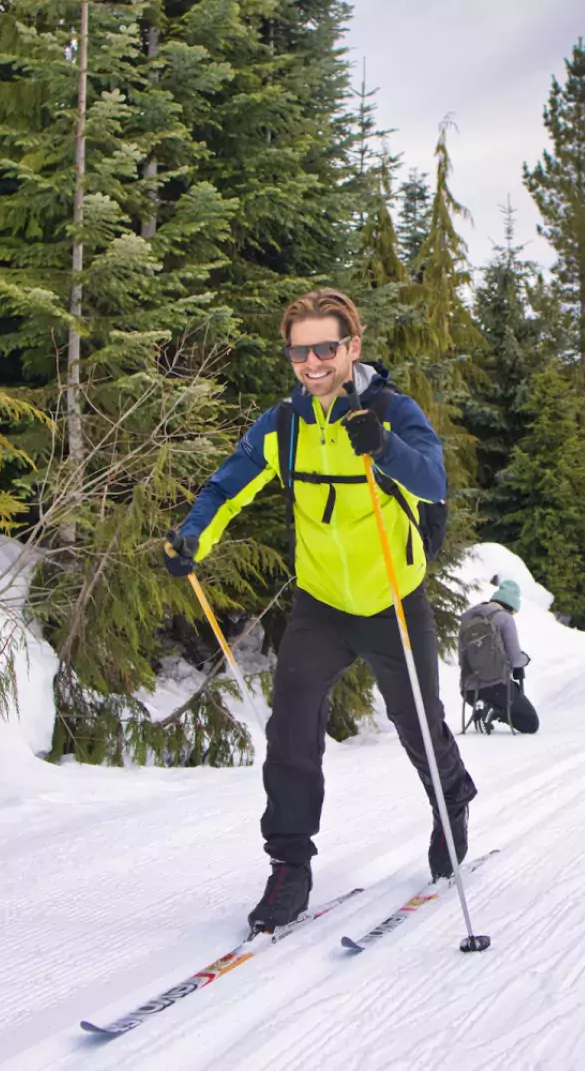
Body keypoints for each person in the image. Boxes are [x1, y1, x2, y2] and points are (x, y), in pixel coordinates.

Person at [163, 288, 478, 934]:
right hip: (321, 603)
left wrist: (384, 448)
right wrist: (195, 535)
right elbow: (231, 481)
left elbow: (434, 482)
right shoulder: (284, 425)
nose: (312, 362)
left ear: (351, 347)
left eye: (325, 348)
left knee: (417, 720)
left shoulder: (391, 410)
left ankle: (452, 799)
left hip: (393, 597)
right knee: (291, 727)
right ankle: (289, 865)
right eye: (299, 350)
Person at [457, 579, 539, 734]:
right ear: (511, 605)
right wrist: (525, 659)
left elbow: (462, 658)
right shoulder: (504, 618)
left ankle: (483, 707)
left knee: (494, 698)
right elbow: (516, 659)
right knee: (530, 723)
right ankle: (491, 711)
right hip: (497, 687)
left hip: (468, 690)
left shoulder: (467, 618)